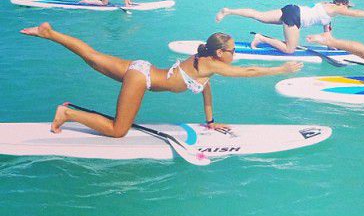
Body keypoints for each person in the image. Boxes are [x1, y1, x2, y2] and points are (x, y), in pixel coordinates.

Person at [20, 22, 302, 137]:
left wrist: (211, 122)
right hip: (142, 79)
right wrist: (280, 70)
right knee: (119, 131)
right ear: (220, 52)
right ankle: (67, 113)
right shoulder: (213, 64)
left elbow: (206, 91)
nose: (235, 54)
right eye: (233, 51)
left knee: (93, 57)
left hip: (142, 67)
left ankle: (50, 33)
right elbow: (249, 72)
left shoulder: (207, 66)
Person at [215, 0, 364, 54]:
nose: (347, 9)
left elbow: (327, 36)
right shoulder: (335, 9)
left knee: (258, 15)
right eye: (346, 6)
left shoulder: (327, 12)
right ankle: (261, 38)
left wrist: (332, 48)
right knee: (290, 49)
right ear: (341, 4)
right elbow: (356, 14)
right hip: (295, 18)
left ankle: (229, 11)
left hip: (292, 8)